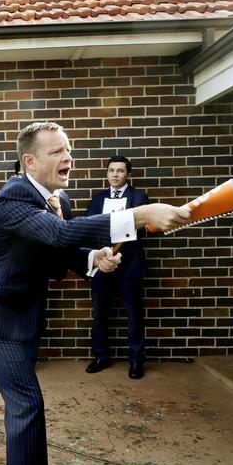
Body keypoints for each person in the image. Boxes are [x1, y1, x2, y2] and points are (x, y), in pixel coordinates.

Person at [0, 122, 191, 465]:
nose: (68, 157)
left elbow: (59, 248)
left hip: (21, 309)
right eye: (57, 152)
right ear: (29, 162)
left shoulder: (60, 199)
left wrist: (93, 259)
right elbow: (59, 232)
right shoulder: (12, 196)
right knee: (26, 402)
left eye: (68, 149)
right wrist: (140, 216)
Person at [85, 156, 149, 379]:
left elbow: (140, 225)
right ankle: (101, 356)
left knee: (134, 314)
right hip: (103, 264)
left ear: (127, 174)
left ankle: (136, 361)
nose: (115, 174)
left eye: (120, 171)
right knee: (100, 313)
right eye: (111, 170)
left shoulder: (139, 197)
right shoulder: (98, 199)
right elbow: (88, 227)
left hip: (128, 265)